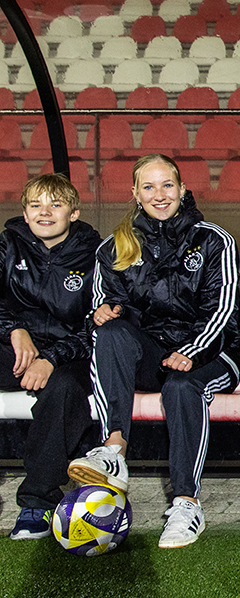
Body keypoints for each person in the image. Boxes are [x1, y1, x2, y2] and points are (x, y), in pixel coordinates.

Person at [69, 154, 240, 548]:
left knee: (182, 387)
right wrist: (105, 311)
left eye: (167, 185)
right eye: (148, 187)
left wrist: (192, 351)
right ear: (134, 193)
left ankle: (186, 504)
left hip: (215, 348)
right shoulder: (114, 246)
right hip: (153, 350)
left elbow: (221, 309)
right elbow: (104, 301)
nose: (159, 195)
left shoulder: (213, 239)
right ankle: (114, 449)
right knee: (109, 333)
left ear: (182, 189)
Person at [3, 174, 100, 540]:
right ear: (24, 214)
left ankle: (37, 503)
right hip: (15, 348)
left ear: (73, 213)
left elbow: (98, 323)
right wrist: (15, 330)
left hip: (71, 352)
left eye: (56, 205)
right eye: (35, 205)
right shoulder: (7, 245)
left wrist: (52, 358)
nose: (45, 213)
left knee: (62, 389)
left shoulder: (96, 253)